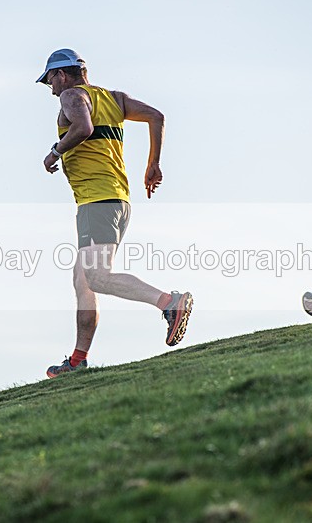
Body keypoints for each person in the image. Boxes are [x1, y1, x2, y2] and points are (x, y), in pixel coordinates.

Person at [36, 48, 193, 378]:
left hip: (98, 201)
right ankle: (77, 361)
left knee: (97, 277)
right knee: (83, 280)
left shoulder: (71, 96)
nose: (50, 89)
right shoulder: (114, 99)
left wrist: (55, 152)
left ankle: (169, 302)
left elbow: (83, 127)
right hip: (114, 201)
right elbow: (156, 117)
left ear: (61, 75)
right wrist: (153, 164)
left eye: (50, 80)